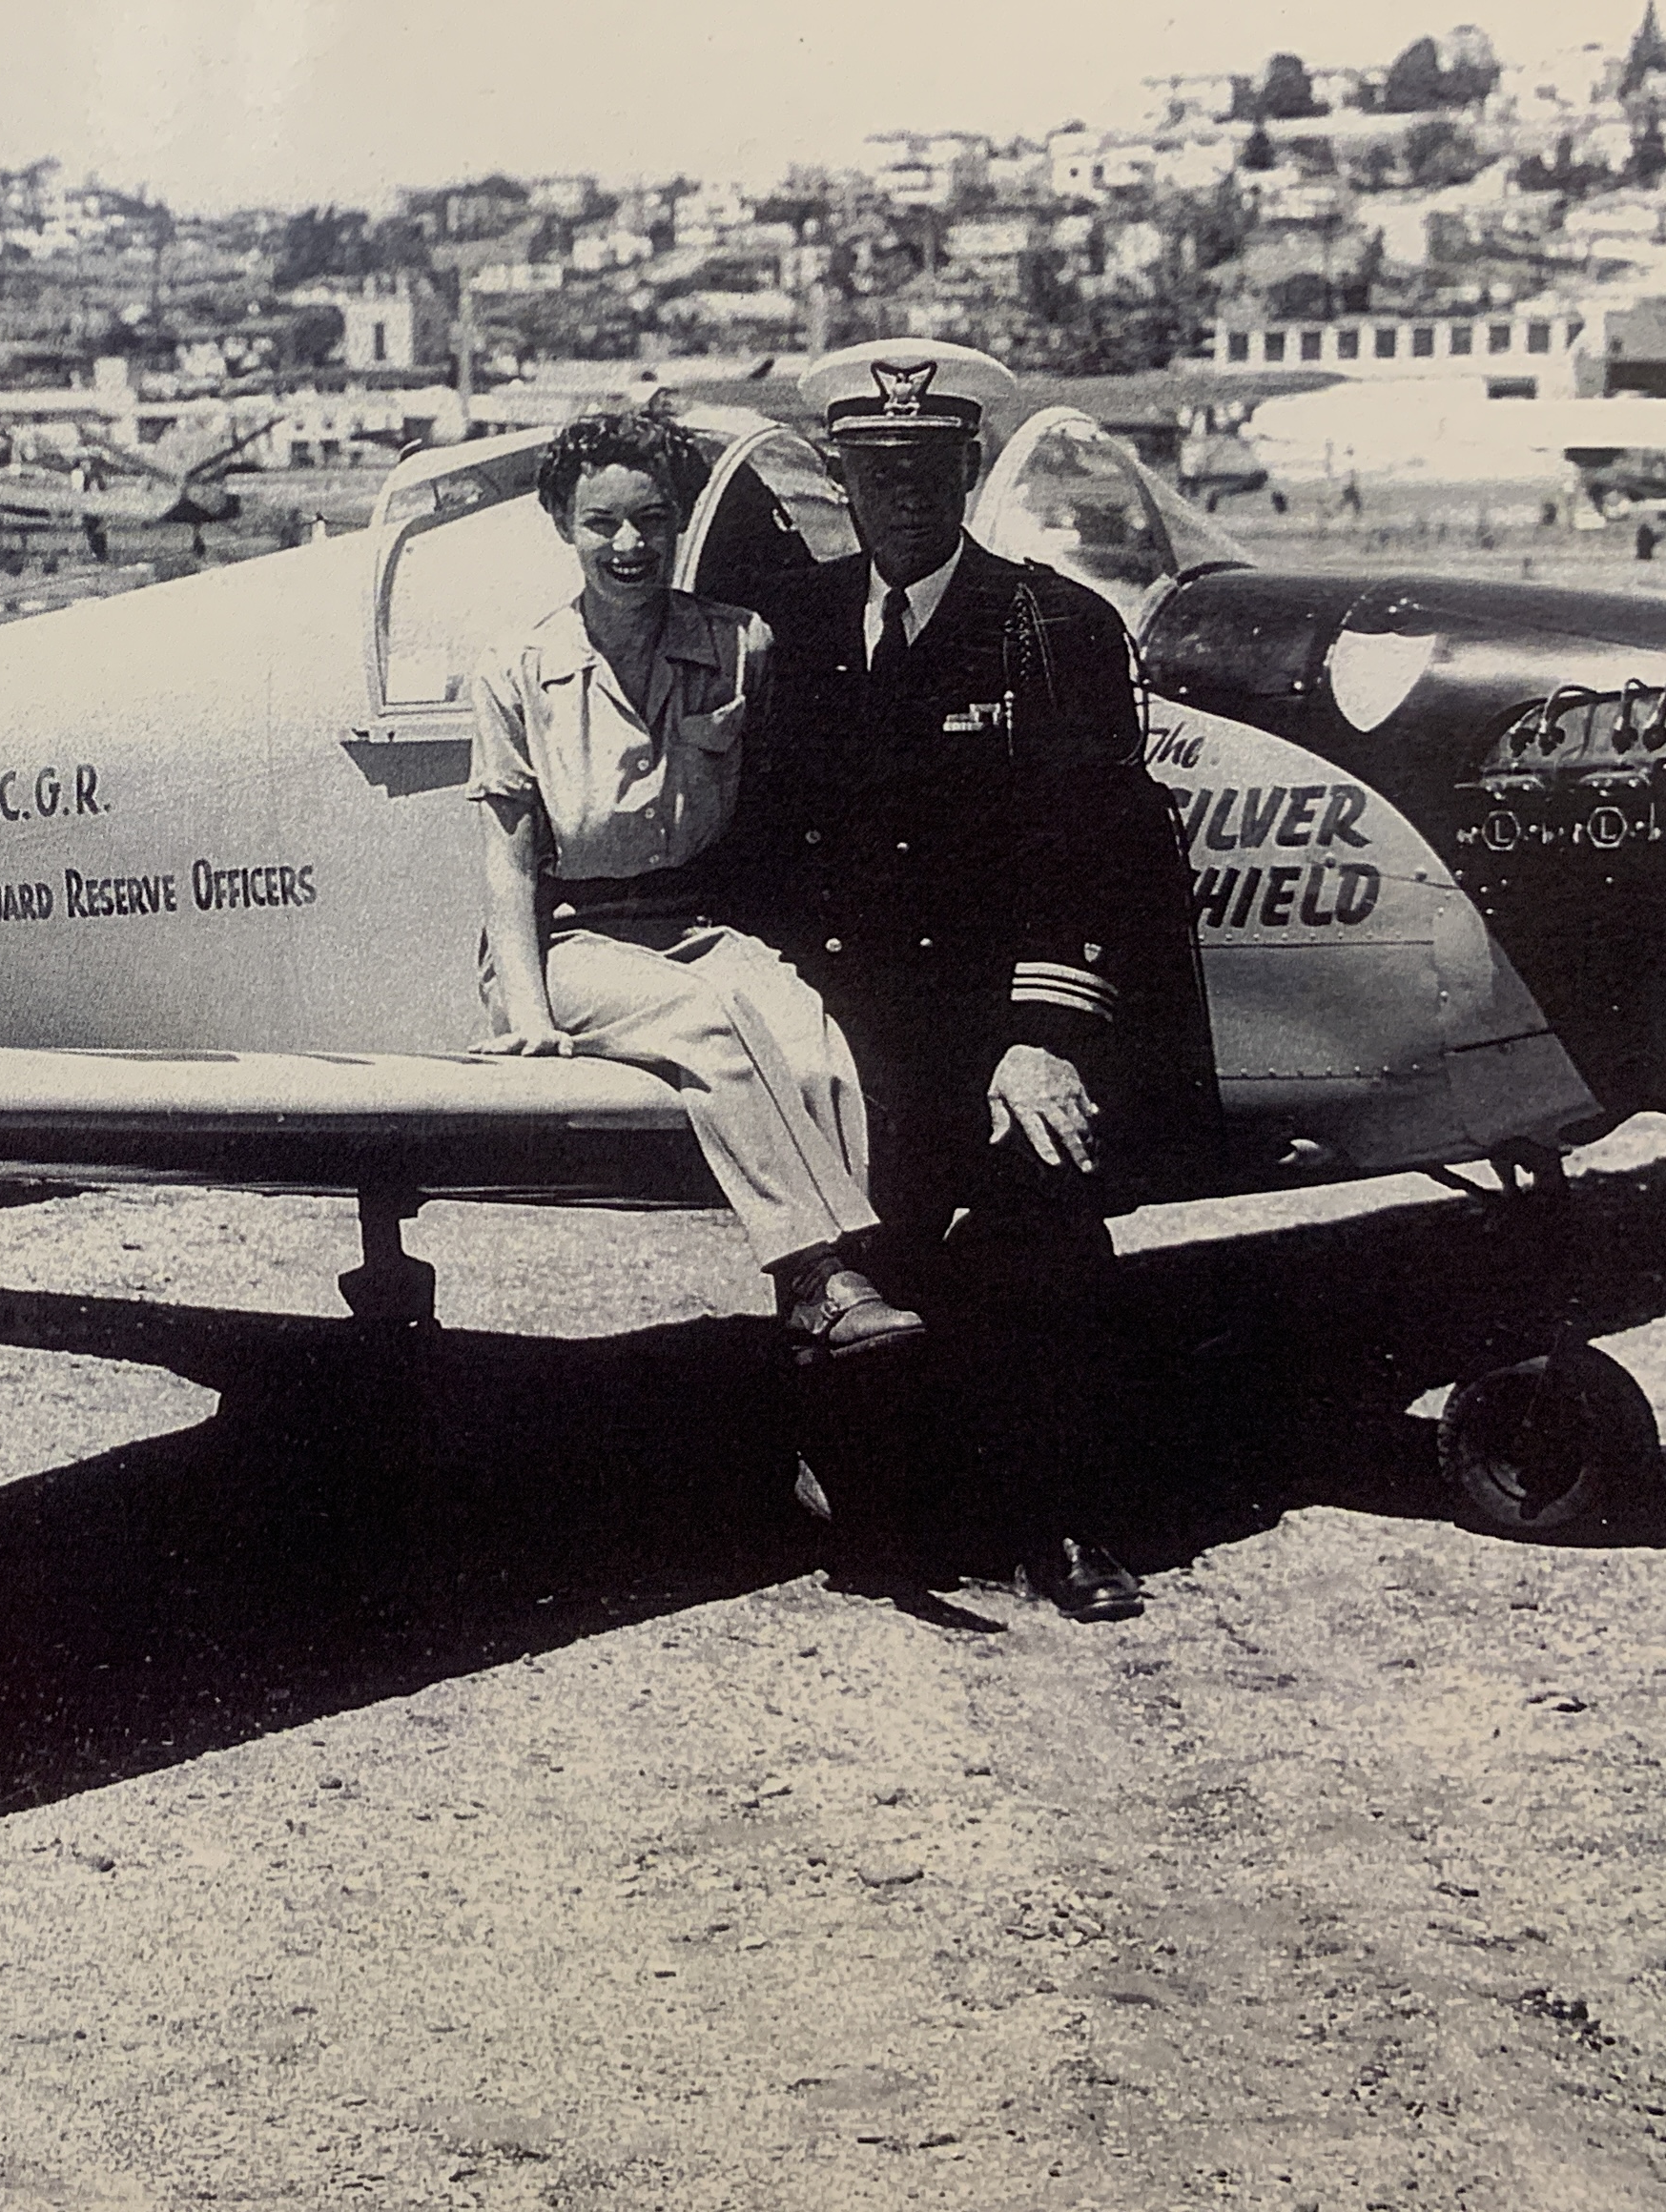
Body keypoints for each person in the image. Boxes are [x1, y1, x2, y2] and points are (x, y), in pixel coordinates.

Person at [730, 340, 1210, 1620]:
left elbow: (1097, 851)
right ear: (842, 471)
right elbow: (769, 840)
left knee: (1043, 1227)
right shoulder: (801, 627)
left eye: (929, 465)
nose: (902, 492)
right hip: (850, 1021)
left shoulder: (1052, 625)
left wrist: (1042, 1034)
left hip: (1001, 1023)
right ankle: (885, 1497)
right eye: (876, 467)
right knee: (856, 1263)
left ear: (968, 470)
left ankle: (1067, 1526)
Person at [468, 410, 919, 1359]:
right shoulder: (517, 670)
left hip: (697, 926)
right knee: (709, 1027)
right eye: (603, 523)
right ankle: (814, 1278)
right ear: (564, 525)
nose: (630, 545)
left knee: (810, 1039)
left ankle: (845, 1291)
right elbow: (508, 857)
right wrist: (525, 1010)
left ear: (679, 523)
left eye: (653, 520)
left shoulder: (739, 643)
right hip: (572, 940)